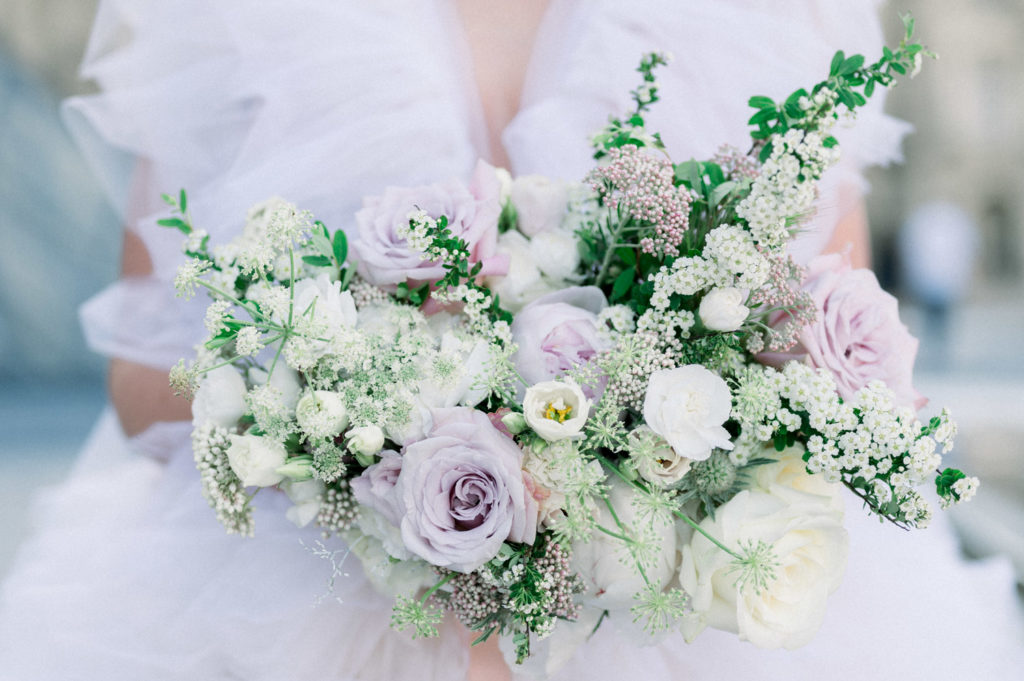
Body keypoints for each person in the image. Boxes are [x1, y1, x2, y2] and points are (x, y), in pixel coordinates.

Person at [1, 1, 1022, 679]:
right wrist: (373, 433)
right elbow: (146, 375)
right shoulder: (231, 15)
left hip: (686, 628)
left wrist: (634, 455)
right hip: (288, 619)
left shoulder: (768, 13)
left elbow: (844, 354)